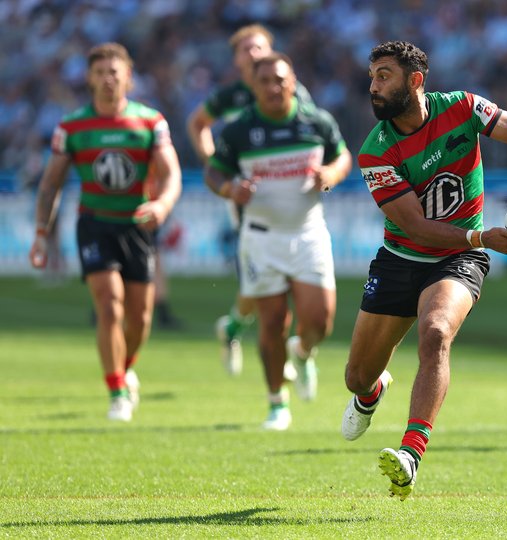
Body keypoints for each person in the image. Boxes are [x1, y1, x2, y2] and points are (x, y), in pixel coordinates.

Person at [340, 41, 507, 500]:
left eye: (384, 76)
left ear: (415, 80)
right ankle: (371, 392)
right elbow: (416, 226)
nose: (373, 87)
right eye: (372, 77)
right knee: (357, 377)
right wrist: (485, 237)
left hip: (458, 259)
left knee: (437, 331)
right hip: (402, 259)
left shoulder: (462, 107)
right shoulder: (375, 150)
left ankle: (410, 453)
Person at [29, 42, 182, 422]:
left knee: (140, 318)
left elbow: (171, 174)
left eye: (114, 72)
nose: (107, 79)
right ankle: (116, 389)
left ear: (128, 76)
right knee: (109, 303)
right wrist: (40, 232)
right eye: (100, 73)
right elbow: (50, 185)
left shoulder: (150, 122)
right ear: (89, 78)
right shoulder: (72, 127)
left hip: (137, 226)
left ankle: (125, 365)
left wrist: (161, 205)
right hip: (95, 224)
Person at [204, 53, 351, 430]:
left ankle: (302, 354)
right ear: (254, 87)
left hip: (308, 233)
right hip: (261, 238)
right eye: (265, 81)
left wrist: (331, 173)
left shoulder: (316, 122)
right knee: (272, 322)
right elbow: (214, 170)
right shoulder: (239, 131)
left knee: (320, 322)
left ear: (292, 80)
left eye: (279, 79)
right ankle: (276, 402)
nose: (273, 87)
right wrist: (229, 188)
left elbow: (343, 156)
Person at [187, 24, 315, 376]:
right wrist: (219, 168)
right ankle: (281, 351)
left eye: (258, 47)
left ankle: (247, 331)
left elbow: (312, 133)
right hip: (251, 199)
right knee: (263, 280)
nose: (253, 54)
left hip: (292, 198)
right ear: (237, 59)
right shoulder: (229, 97)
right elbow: (197, 123)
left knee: (280, 277)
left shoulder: (292, 90)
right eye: (245, 49)